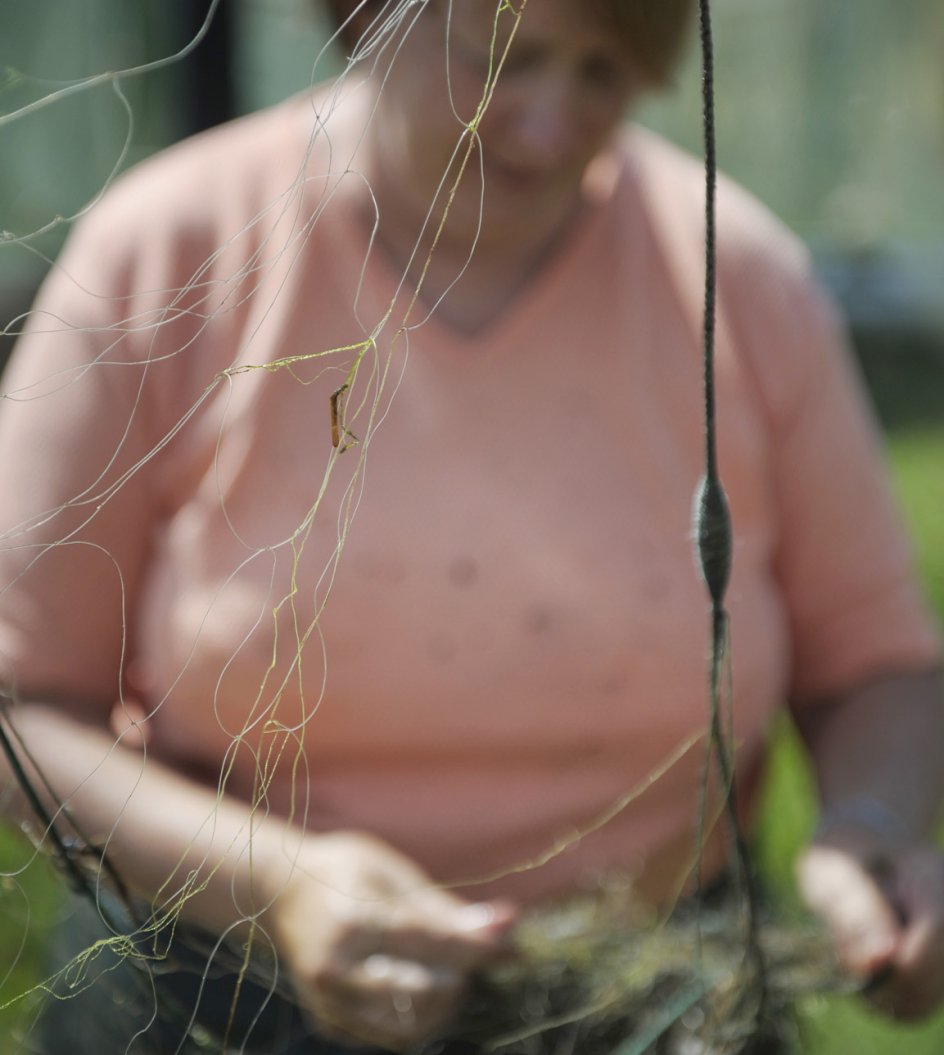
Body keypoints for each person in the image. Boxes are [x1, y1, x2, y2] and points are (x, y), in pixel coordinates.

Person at [1, 0, 943, 1051]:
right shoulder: (167, 249)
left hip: (658, 991)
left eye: (604, 73)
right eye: (507, 60)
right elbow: (25, 699)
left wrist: (867, 828)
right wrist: (276, 882)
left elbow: (877, 666)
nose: (551, 121)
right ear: (368, 21)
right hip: (220, 979)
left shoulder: (738, 276)